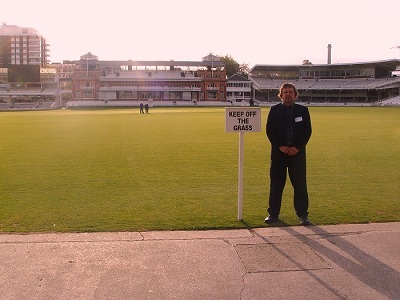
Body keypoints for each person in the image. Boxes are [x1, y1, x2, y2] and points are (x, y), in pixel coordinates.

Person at [265, 83, 312, 225]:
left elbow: (307, 132)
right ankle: (273, 214)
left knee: (300, 185)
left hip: (297, 154)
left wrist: (297, 147)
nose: (288, 94)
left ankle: (303, 215)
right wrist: (281, 147)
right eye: (285, 92)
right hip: (279, 154)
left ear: (295, 94)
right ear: (281, 95)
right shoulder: (274, 110)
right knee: (276, 185)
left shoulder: (303, 111)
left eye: (290, 92)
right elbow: (270, 131)